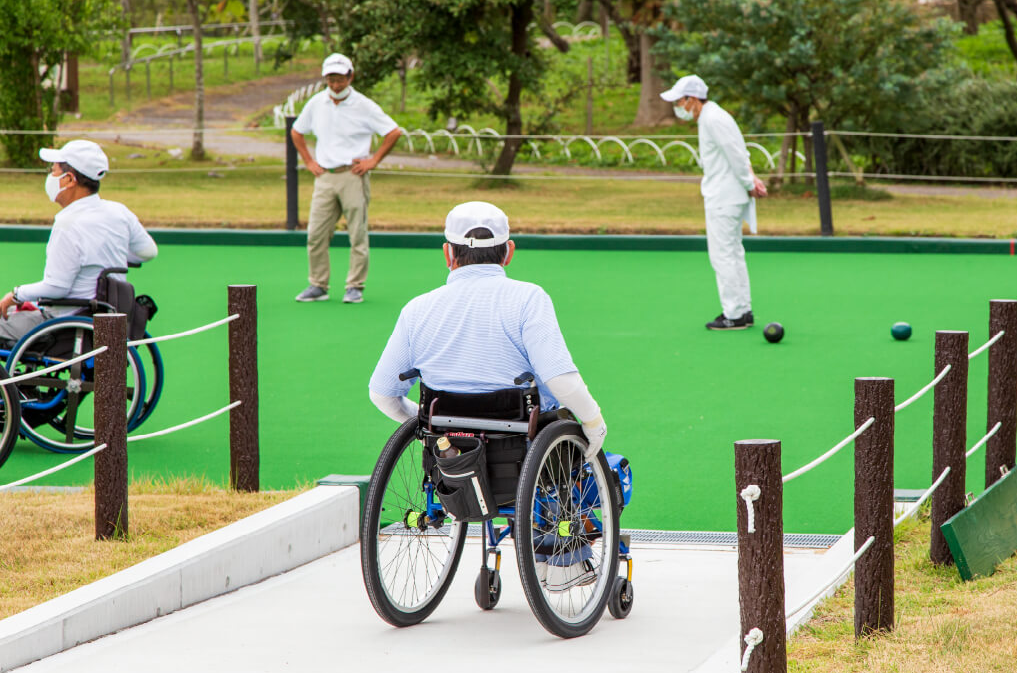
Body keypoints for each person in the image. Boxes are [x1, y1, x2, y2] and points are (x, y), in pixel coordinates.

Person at [368, 200, 606, 459]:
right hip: (524, 448)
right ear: (508, 252)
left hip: (451, 453)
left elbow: (383, 394)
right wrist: (594, 423)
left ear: (447, 253)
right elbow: (560, 380)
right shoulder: (529, 298)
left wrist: (430, 422)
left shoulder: (416, 309)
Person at [0, 140, 158, 346]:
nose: (50, 176)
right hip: (103, 315)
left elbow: (57, 287)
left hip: (64, 323)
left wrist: (16, 295)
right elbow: (148, 251)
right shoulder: (119, 212)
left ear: (69, 180)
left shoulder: (67, 223)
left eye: (53, 170)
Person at [292, 53, 402, 304]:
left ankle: (355, 286)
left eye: (340, 78)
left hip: (353, 176)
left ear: (350, 77)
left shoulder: (364, 105)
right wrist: (309, 161)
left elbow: (393, 132)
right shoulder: (317, 103)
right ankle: (318, 285)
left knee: (357, 234)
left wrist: (373, 161)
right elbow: (297, 131)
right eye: (331, 78)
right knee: (316, 234)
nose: (335, 84)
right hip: (325, 177)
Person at [661, 74, 768, 331]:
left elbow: (735, 153)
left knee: (723, 255)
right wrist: (750, 179)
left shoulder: (713, 118)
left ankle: (734, 314)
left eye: (679, 101)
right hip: (726, 194)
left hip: (724, 196)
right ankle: (742, 310)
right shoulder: (713, 117)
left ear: (692, 99)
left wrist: (749, 182)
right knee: (732, 253)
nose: (677, 107)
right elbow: (740, 150)